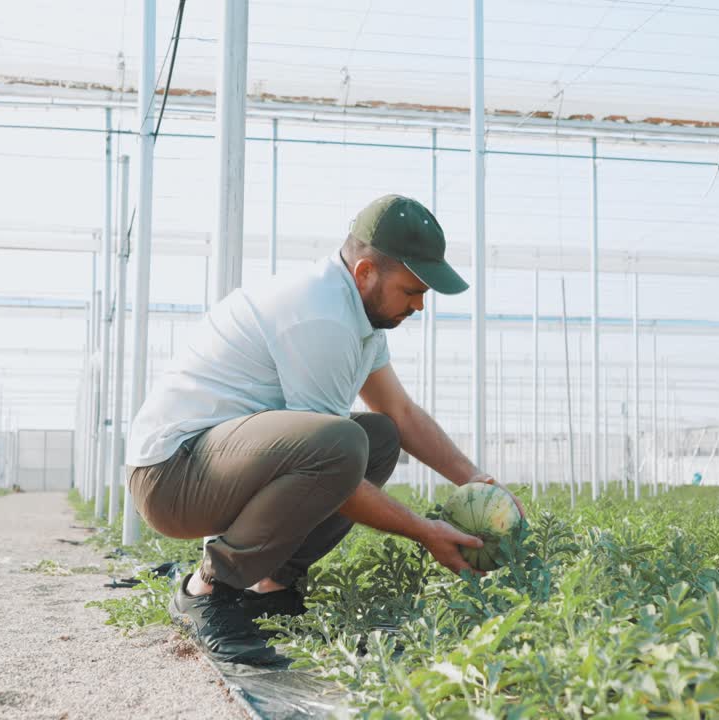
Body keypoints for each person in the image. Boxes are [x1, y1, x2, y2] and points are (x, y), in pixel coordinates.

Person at [125, 194, 525, 664]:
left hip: (214, 464)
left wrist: (477, 480)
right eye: (412, 291)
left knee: (379, 439)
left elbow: (400, 412)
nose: (419, 306)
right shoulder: (321, 315)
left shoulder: (361, 317)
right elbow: (334, 468)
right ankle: (207, 589)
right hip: (172, 476)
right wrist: (425, 531)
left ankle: (270, 587)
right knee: (341, 444)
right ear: (365, 273)